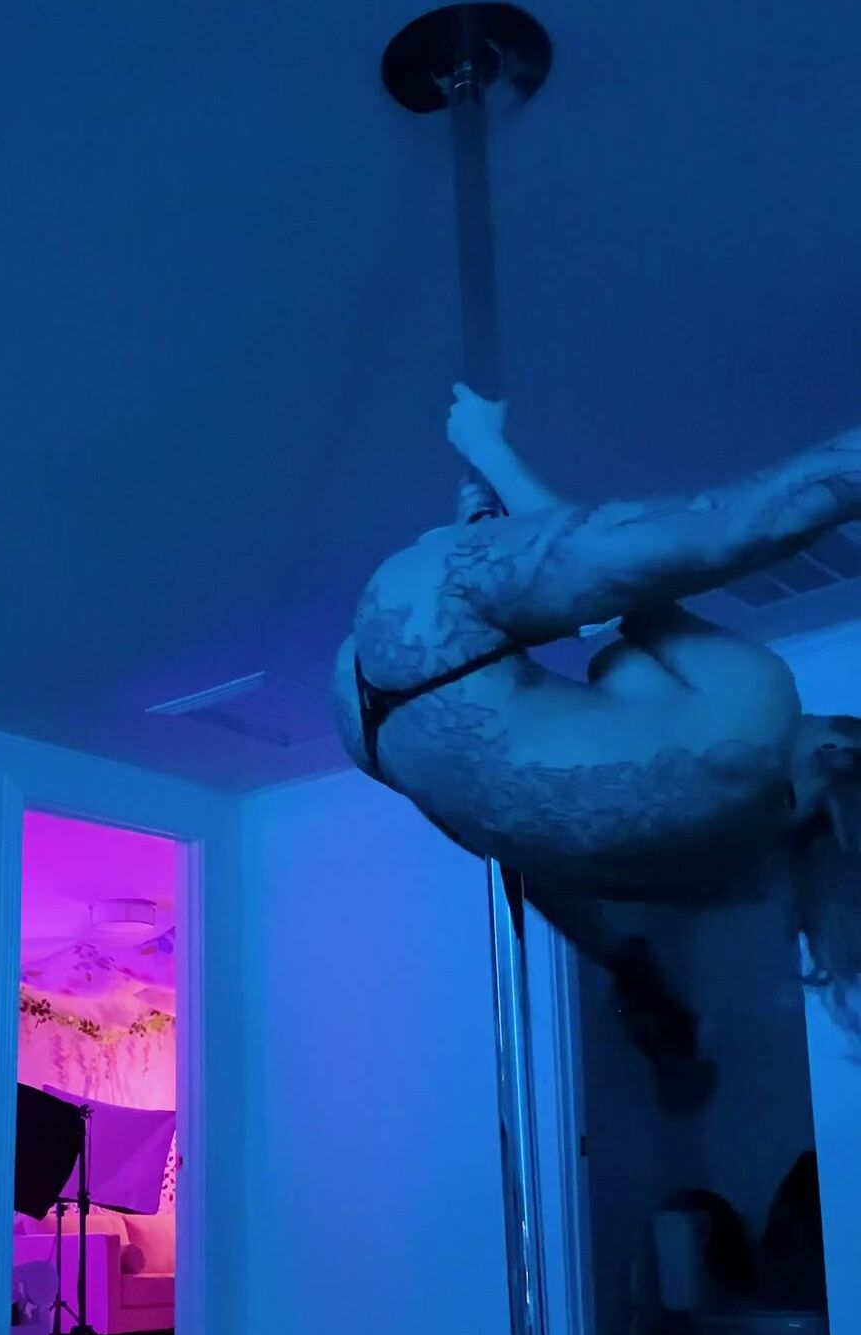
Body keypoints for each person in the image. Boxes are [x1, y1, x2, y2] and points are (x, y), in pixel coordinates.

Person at [334, 385, 861, 1081]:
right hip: (368, 726)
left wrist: (489, 450)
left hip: (429, 622)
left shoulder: (760, 717)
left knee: (725, 526)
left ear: (838, 749)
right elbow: (514, 841)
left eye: (827, 717)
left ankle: (480, 454)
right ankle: (477, 525)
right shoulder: (708, 875)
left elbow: (622, 582)